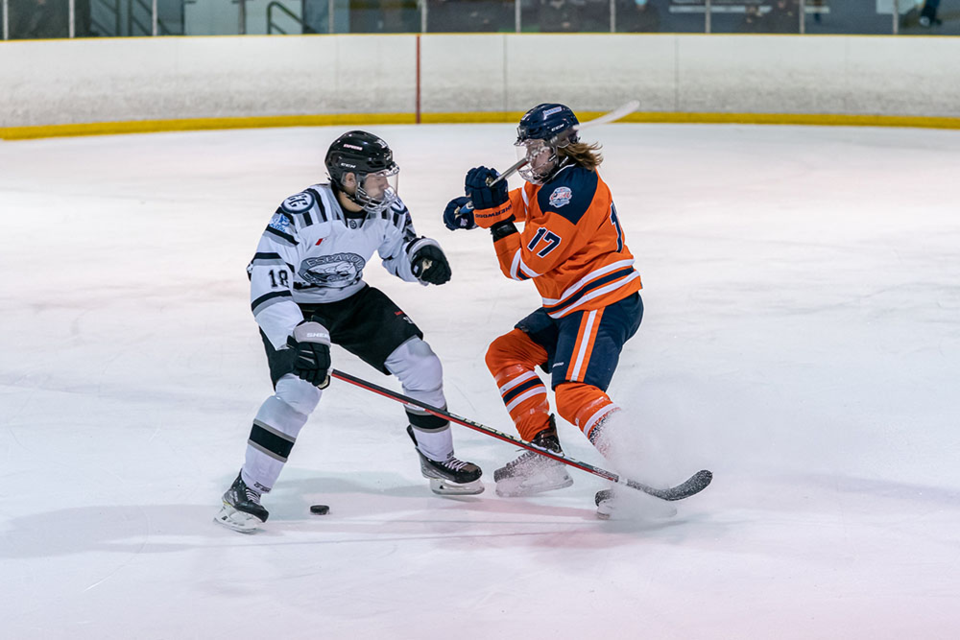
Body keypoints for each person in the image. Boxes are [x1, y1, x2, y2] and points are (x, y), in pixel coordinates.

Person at [216, 131, 483, 533]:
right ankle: (246, 490)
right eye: (376, 177)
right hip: (298, 306)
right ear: (349, 179)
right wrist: (296, 333)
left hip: (352, 299)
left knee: (422, 365)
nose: (386, 185)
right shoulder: (301, 211)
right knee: (299, 391)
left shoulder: (387, 208)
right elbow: (266, 278)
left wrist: (421, 259)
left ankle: (438, 460)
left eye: (386, 175)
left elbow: (400, 250)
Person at [442, 104, 644, 517]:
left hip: (601, 304)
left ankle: (643, 473)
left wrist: (494, 219)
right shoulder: (553, 180)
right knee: (507, 354)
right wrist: (475, 208)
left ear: (560, 147)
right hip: (570, 305)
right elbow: (522, 203)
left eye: (535, 147)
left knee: (574, 392)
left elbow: (522, 265)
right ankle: (544, 454)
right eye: (527, 146)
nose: (528, 156)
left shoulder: (572, 191)